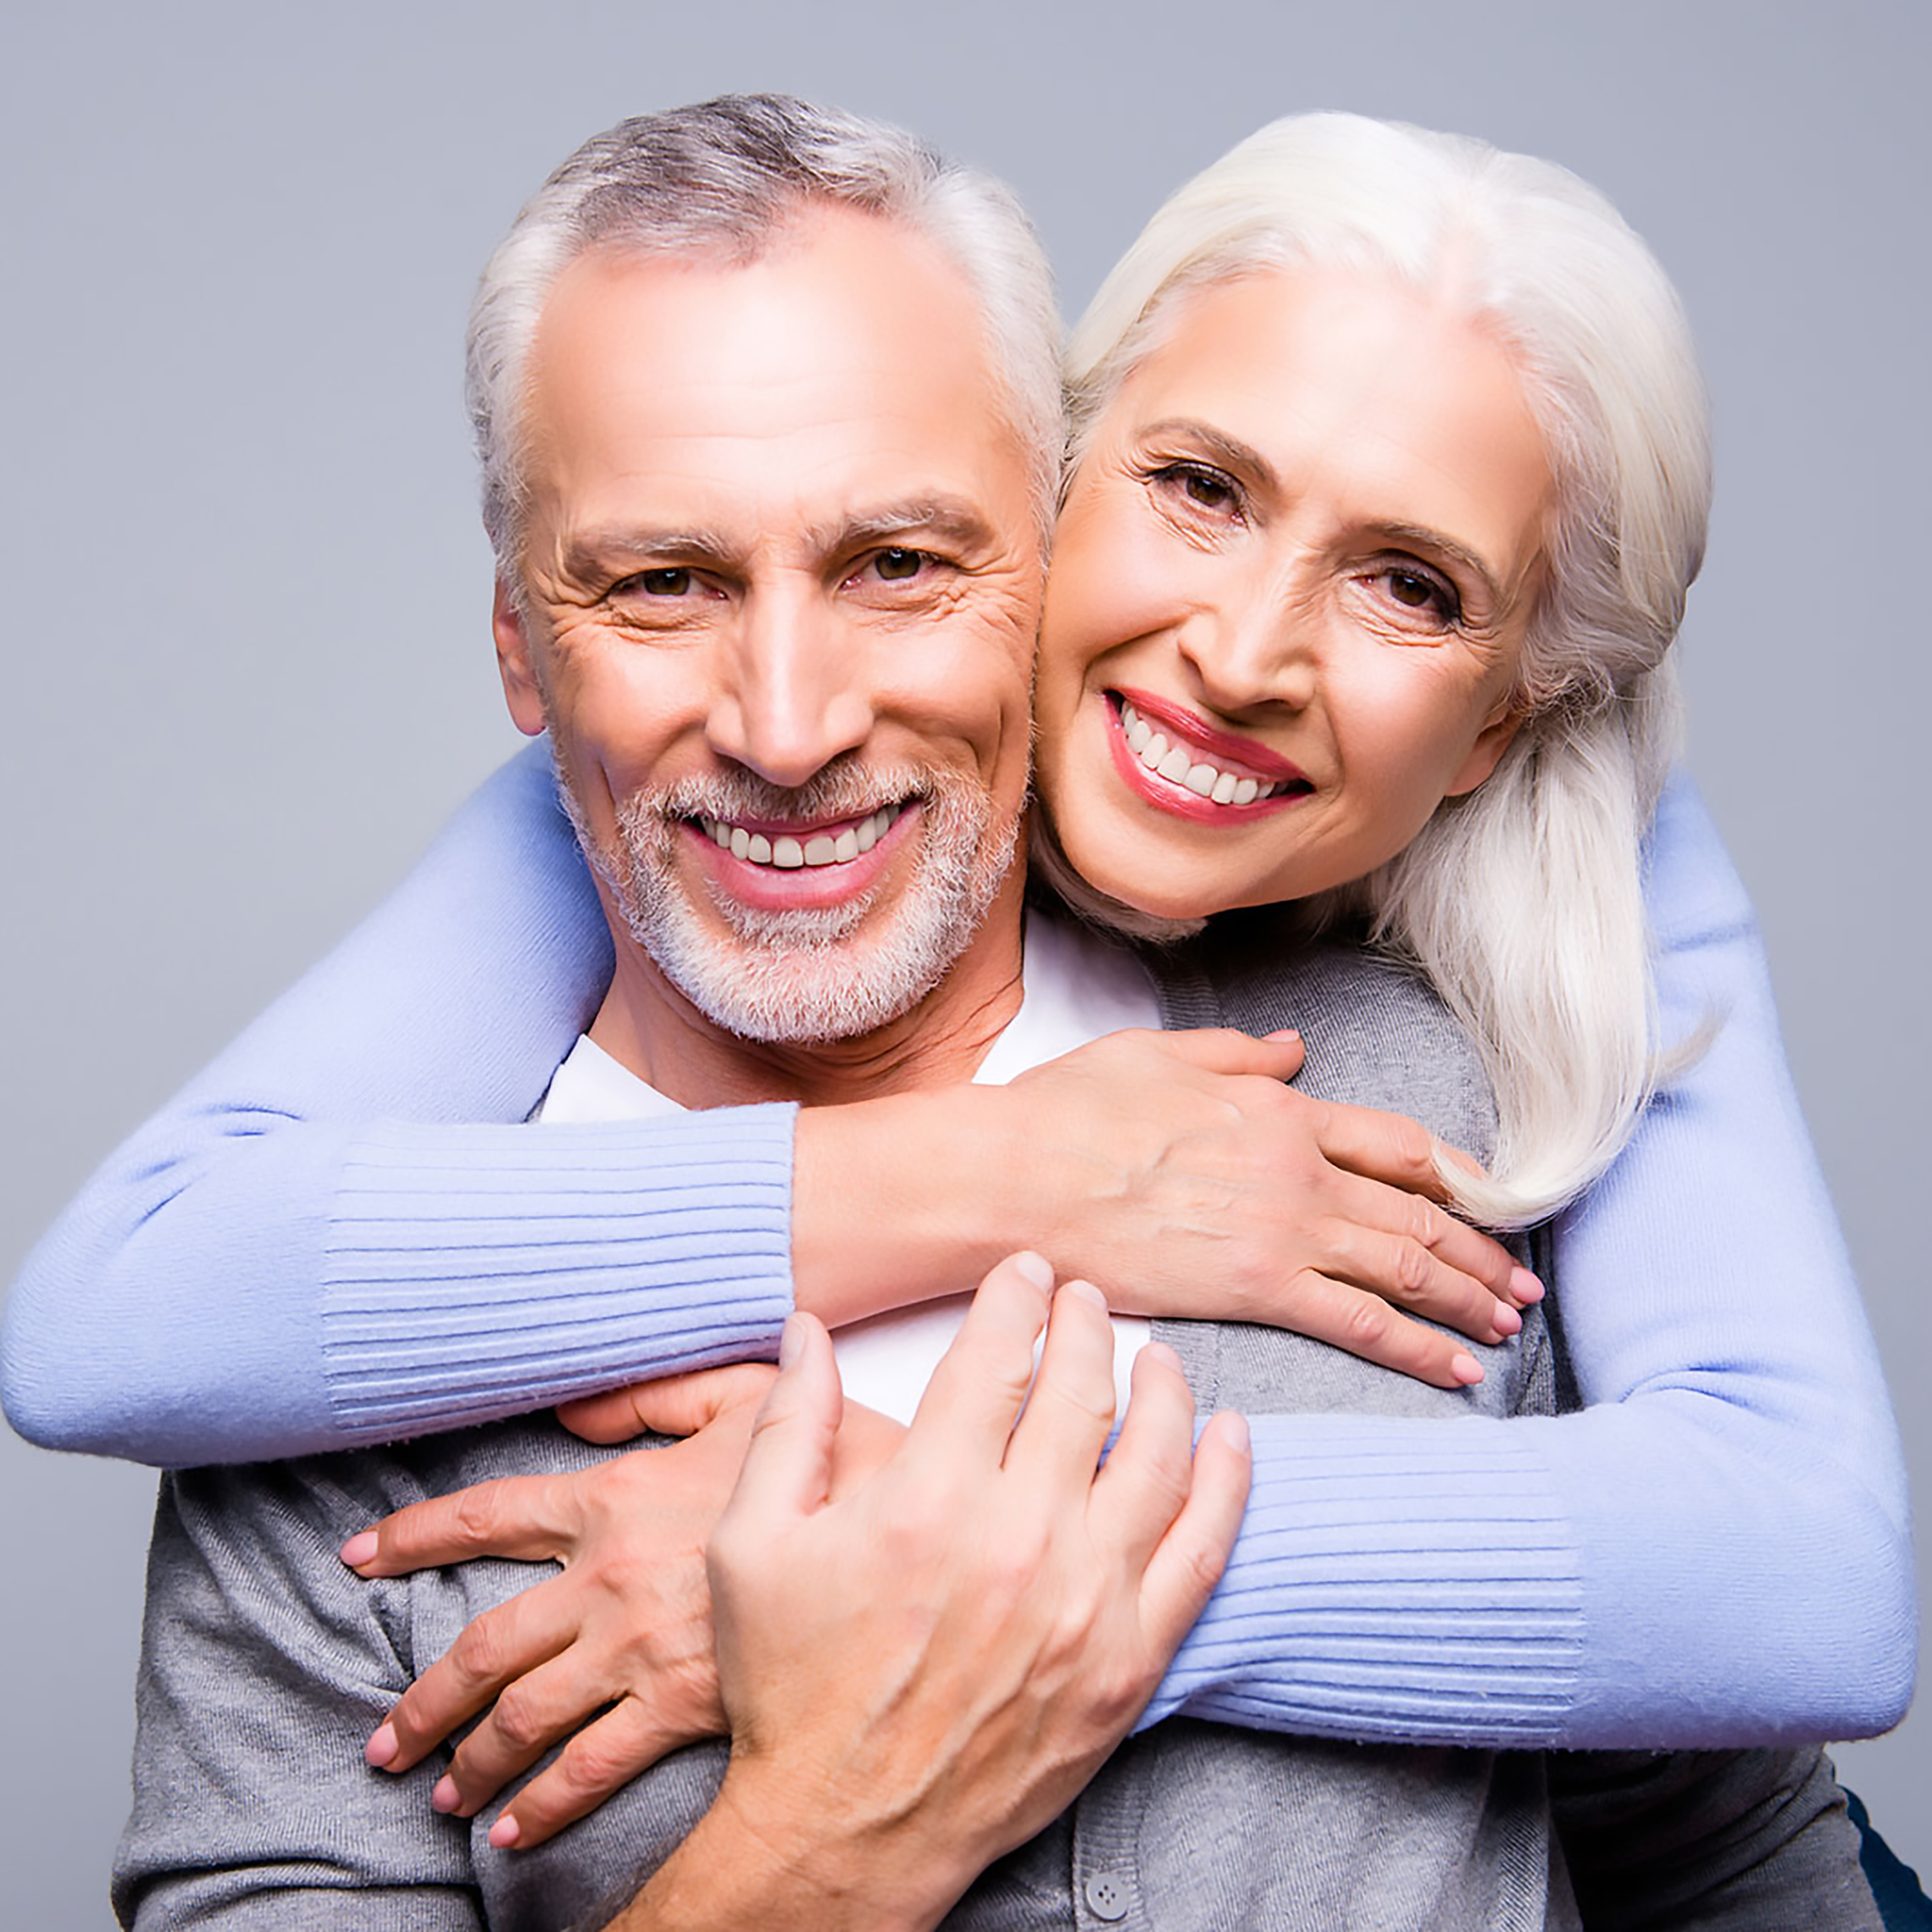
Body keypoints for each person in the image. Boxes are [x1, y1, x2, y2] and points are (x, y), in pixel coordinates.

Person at [106, 98, 1881, 1926]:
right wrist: (834, 1834)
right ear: (520, 647)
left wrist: (1030, 1568)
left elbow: (1729, 1825)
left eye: (896, 563)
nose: (786, 723)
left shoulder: (1422, 1129)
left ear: (1031, 547)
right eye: (660, 583)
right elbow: (113, 1313)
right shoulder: (333, 1382)